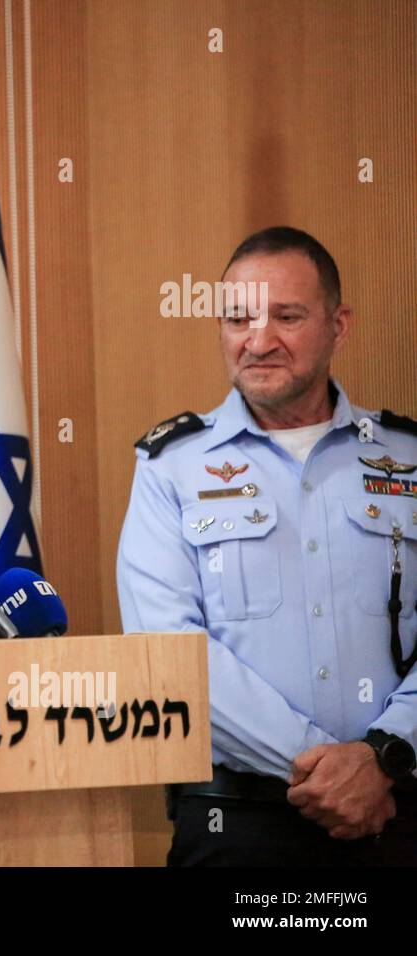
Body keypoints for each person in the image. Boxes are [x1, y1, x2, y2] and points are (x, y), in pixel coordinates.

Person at [117, 226, 417, 865]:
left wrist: (386, 754)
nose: (258, 340)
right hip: (237, 827)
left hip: (397, 810)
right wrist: (333, 775)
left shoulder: (408, 460)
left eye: (286, 316)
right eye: (237, 318)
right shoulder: (169, 467)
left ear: (339, 326)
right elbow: (168, 650)